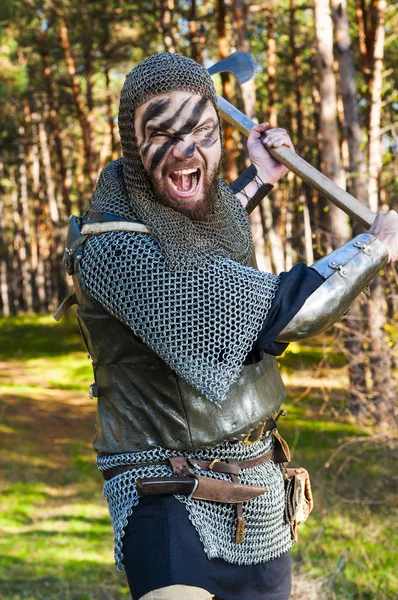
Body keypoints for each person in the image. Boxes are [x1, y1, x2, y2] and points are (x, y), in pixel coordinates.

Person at [57, 53, 398, 600]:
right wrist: (373, 249)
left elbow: (205, 231)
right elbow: (279, 313)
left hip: (256, 486)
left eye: (203, 131)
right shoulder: (115, 249)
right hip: (166, 499)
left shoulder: (169, 227)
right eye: (164, 134)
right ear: (132, 144)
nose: (186, 150)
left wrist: (261, 174)